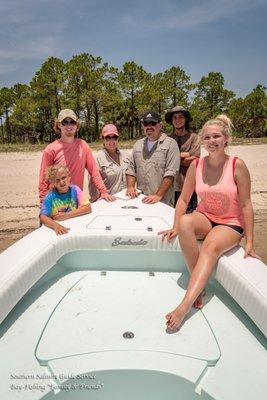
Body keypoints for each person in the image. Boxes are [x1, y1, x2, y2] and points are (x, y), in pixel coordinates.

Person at [160, 114, 260, 331]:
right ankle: (200, 287)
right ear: (202, 141)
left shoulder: (237, 165)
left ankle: (184, 306)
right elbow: (184, 200)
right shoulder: (197, 165)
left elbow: (246, 204)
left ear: (226, 139)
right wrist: (176, 226)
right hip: (205, 217)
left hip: (231, 223)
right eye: (207, 137)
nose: (211, 141)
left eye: (216, 136)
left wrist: (250, 243)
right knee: (186, 223)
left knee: (210, 246)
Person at [38, 109, 114, 203]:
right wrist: (43, 202)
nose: (69, 125)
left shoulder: (83, 146)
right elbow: (44, 179)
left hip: (76, 199)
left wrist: (103, 192)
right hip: (56, 201)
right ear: (59, 125)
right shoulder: (50, 150)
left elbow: (94, 171)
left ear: (77, 125)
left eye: (72, 122)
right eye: (65, 122)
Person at [126, 111, 180, 205]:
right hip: (141, 199)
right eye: (146, 124)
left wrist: (158, 195)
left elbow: (171, 173)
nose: (149, 127)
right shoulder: (138, 145)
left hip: (162, 201)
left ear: (160, 125)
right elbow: (130, 168)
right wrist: (130, 187)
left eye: (153, 123)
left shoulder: (171, 144)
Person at [165, 105, 200, 212]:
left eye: (180, 117)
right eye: (174, 117)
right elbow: (164, 160)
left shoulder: (194, 137)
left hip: (188, 185)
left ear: (186, 119)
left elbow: (195, 160)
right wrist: (185, 154)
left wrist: (173, 159)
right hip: (170, 186)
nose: (177, 120)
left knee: (188, 218)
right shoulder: (168, 139)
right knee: (171, 217)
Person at [40, 165, 91, 235]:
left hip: (74, 226)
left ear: (69, 177)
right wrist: (56, 226)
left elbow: (88, 208)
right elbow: (42, 217)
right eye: (57, 180)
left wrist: (66, 215)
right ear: (53, 183)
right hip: (58, 229)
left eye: (63, 178)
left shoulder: (75, 190)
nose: (61, 182)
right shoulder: (50, 197)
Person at [88, 124, 130, 201]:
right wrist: (95, 201)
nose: (112, 141)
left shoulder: (126, 156)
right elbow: (92, 184)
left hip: (126, 199)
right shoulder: (97, 159)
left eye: (114, 137)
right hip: (108, 202)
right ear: (103, 139)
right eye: (108, 138)